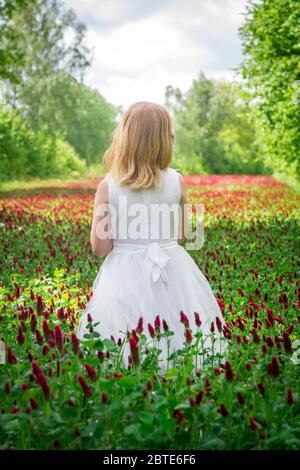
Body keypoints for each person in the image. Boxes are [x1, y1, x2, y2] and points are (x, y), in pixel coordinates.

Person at [77, 101, 226, 372]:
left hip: (123, 271)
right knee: (178, 327)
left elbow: (100, 247)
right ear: (162, 140)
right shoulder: (177, 181)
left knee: (123, 332)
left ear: (125, 138)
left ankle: (132, 381)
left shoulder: (107, 186)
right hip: (171, 267)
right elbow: (182, 236)